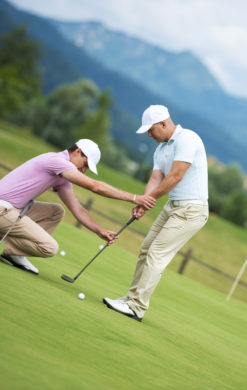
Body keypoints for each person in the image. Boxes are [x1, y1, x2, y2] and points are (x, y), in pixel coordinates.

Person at [103, 105, 208, 322]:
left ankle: (137, 307)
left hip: (191, 210)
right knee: (146, 249)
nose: (149, 135)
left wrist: (150, 200)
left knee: (156, 254)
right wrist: (142, 202)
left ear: (163, 123)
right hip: (173, 206)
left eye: (151, 130)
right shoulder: (160, 149)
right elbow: (156, 179)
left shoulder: (187, 139)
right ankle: (130, 299)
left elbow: (176, 176)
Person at [0, 139, 156, 275]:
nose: (83, 170)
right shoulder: (57, 161)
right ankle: (8, 246)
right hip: (3, 209)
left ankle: (14, 254)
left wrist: (100, 231)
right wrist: (135, 198)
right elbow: (95, 186)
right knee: (49, 247)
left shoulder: (61, 175)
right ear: (77, 152)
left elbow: (78, 209)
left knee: (56, 211)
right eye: (85, 164)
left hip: (13, 210)